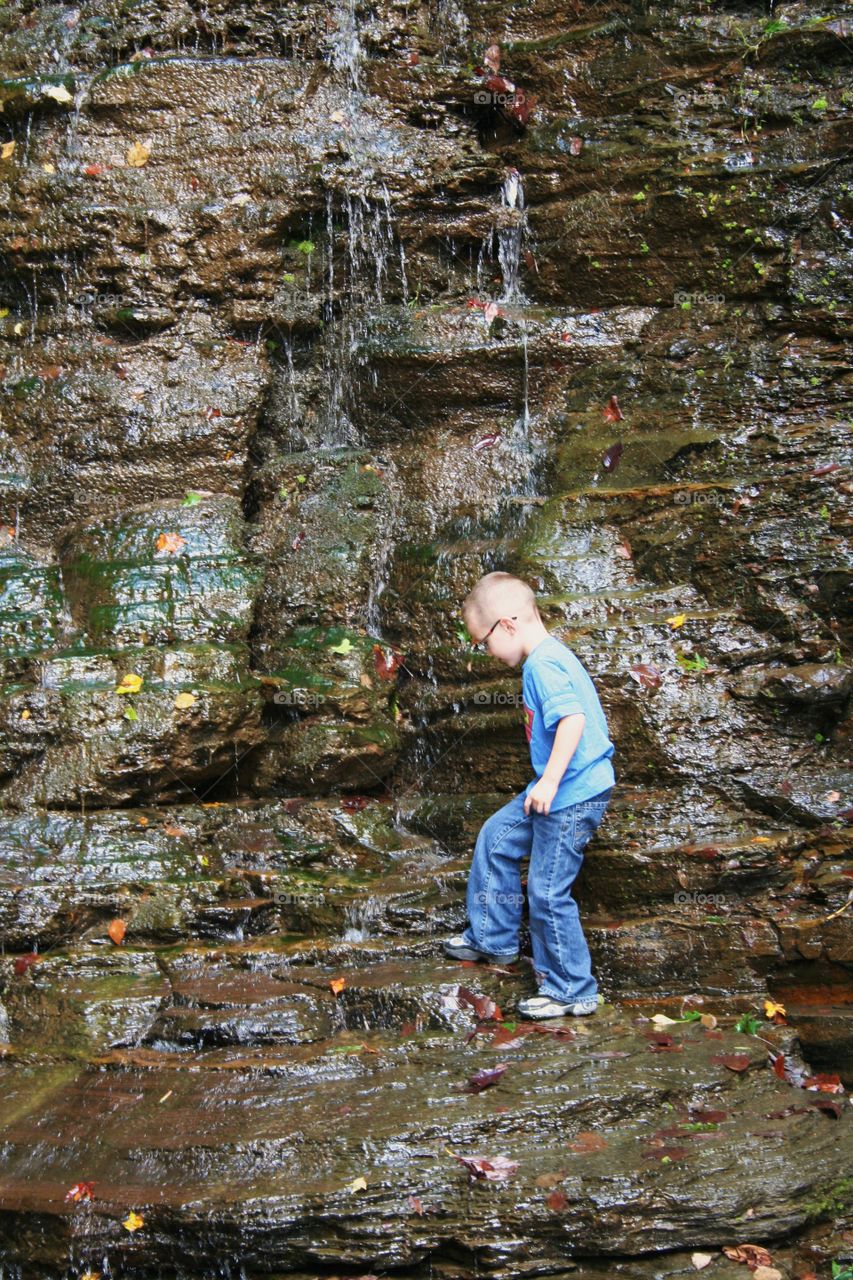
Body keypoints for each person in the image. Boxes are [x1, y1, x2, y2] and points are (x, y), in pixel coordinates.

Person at [442, 571, 615, 1018]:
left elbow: (572, 720)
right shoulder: (548, 656)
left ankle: (572, 989)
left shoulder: (542, 664)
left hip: (571, 795)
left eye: (482, 642)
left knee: (547, 890)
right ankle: (491, 937)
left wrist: (551, 780)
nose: (484, 652)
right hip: (555, 790)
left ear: (508, 625)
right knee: (497, 837)